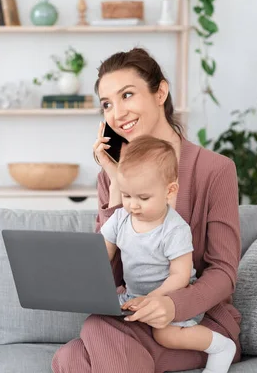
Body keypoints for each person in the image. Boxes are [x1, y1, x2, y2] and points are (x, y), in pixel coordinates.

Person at [51, 47, 242, 373]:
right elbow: (108, 278)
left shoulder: (215, 170)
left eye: (127, 95)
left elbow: (224, 273)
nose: (117, 112)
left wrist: (171, 304)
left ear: (160, 92)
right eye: (107, 104)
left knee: (78, 351)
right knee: (71, 356)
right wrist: (114, 185)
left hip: (195, 326)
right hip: (136, 314)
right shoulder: (110, 174)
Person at [101, 135, 236, 373]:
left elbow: (180, 276)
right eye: (126, 195)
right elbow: (101, 253)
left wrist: (156, 297)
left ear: (169, 190)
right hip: (134, 297)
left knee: (165, 334)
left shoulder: (174, 228)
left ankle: (220, 347)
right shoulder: (121, 218)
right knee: (101, 320)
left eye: (143, 198)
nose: (133, 205)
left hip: (171, 297)